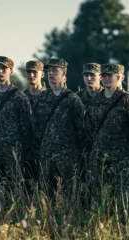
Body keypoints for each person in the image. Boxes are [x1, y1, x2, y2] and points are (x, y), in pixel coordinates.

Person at [86, 63, 129, 195]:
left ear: (120, 78)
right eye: (104, 76)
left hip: (121, 159)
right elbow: (89, 127)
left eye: (111, 76)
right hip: (99, 158)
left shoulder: (126, 101)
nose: (107, 79)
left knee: (120, 197)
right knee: (99, 196)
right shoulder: (96, 100)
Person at [32, 58, 84, 193]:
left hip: (67, 156)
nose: (51, 73)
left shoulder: (72, 99)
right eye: (49, 70)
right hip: (46, 155)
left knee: (69, 195)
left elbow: (81, 129)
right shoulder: (41, 97)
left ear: (64, 74)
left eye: (55, 70)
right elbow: (35, 126)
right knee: (46, 194)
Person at [0, 56, 32, 189]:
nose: (0, 71)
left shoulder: (19, 97)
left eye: (4, 68)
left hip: (13, 154)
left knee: (13, 190)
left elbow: (27, 128)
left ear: (11, 71)